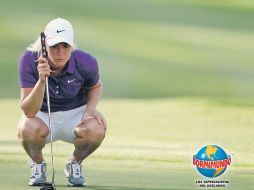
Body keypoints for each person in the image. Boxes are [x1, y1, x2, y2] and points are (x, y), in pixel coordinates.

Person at [17, 18, 107, 187]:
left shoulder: (86, 62)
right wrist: (41, 81)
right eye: (54, 47)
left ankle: (74, 163)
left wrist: (91, 109)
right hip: (41, 114)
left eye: (65, 46)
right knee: (26, 128)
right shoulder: (28, 60)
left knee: (97, 127)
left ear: (72, 45)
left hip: (75, 114)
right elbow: (28, 111)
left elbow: (96, 86)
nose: (60, 53)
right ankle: (37, 164)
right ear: (45, 45)